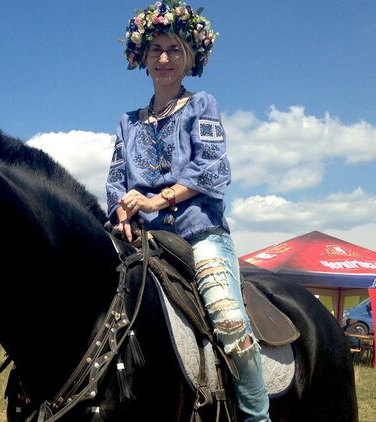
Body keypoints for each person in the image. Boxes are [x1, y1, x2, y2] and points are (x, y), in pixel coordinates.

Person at [106, 2, 270, 420]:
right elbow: (115, 182)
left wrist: (155, 200)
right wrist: (122, 213)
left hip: (200, 236)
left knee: (231, 326)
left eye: (175, 50)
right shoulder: (128, 123)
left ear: (190, 58)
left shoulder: (202, 106)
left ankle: (256, 416)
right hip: (143, 242)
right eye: (156, 49)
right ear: (142, 58)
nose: (164, 58)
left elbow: (213, 170)